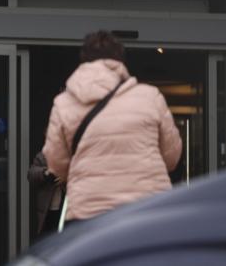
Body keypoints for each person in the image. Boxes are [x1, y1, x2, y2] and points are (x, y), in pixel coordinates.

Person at [42, 31, 182, 224]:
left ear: (83, 61)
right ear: (120, 62)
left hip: (89, 210)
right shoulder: (150, 97)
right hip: (146, 209)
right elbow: (172, 157)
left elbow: (56, 164)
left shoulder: (63, 104)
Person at [27, 149, 65, 237]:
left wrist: (65, 177)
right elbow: (31, 174)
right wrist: (46, 173)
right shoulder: (43, 155)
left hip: (66, 210)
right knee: (47, 237)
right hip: (46, 211)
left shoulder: (70, 154)